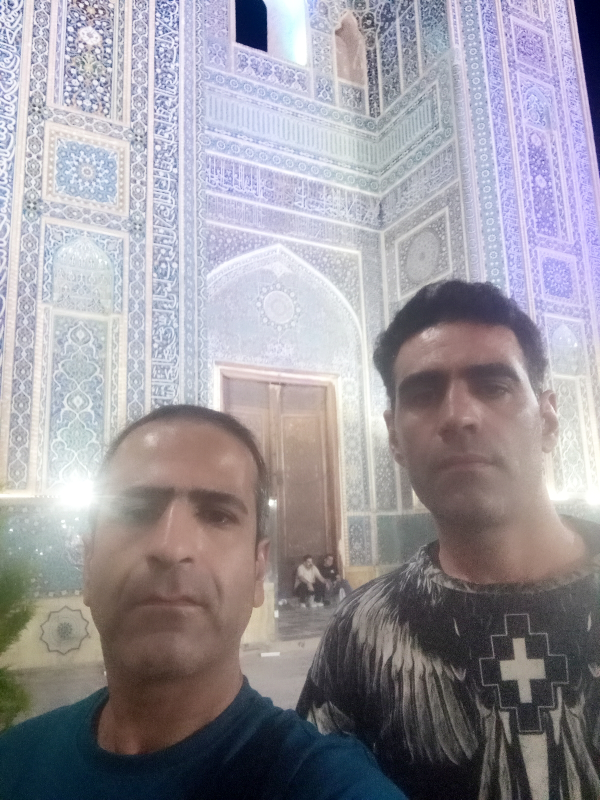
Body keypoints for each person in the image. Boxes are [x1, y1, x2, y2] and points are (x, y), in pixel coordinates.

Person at [0, 405, 406, 800]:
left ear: (257, 568)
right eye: (136, 510)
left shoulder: (324, 782)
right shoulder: (14, 760)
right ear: (88, 562)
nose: (171, 547)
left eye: (217, 515)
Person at [298, 281, 600, 800]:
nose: (459, 416)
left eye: (494, 386)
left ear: (549, 419)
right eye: (423, 394)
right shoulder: (362, 631)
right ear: (394, 437)